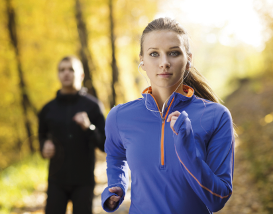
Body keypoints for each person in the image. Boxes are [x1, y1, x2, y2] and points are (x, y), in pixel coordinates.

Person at [101, 17, 235, 214]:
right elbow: (115, 155)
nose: (164, 63)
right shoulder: (119, 116)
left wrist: (187, 150)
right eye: (154, 54)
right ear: (142, 61)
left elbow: (218, 199)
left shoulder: (217, 116)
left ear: (188, 60)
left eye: (173, 53)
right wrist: (116, 185)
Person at [38, 56, 105, 214]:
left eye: (71, 69)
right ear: (58, 75)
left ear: (81, 75)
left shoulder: (93, 106)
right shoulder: (47, 109)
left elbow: (104, 144)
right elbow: (41, 137)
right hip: (56, 180)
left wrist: (88, 127)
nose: (66, 73)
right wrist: (43, 147)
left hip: (83, 181)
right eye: (62, 70)